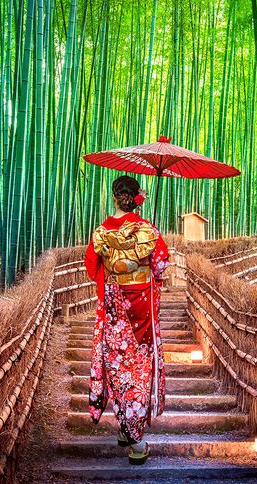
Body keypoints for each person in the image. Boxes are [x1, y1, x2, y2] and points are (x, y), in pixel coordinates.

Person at [83, 175, 169, 465]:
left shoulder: (101, 231)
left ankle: (124, 426)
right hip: (141, 308)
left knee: (116, 362)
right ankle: (137, 441)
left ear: (114, 196)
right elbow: (160, 266)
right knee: (138, 366)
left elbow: (92, 268)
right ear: (136, 197)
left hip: (112, 307)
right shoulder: (147, 230)